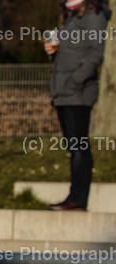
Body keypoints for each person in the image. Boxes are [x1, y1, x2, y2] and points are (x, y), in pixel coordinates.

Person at [44, 0, 110, 211]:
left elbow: (96, 53)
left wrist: (75, 80)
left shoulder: (93, 14)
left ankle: (78, 199)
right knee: (73, 146)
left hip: (78, 92)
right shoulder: (70, 14)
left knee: (79, 146)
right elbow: (73, 52)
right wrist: (54, 51)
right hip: (63, 92)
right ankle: (75, 197)